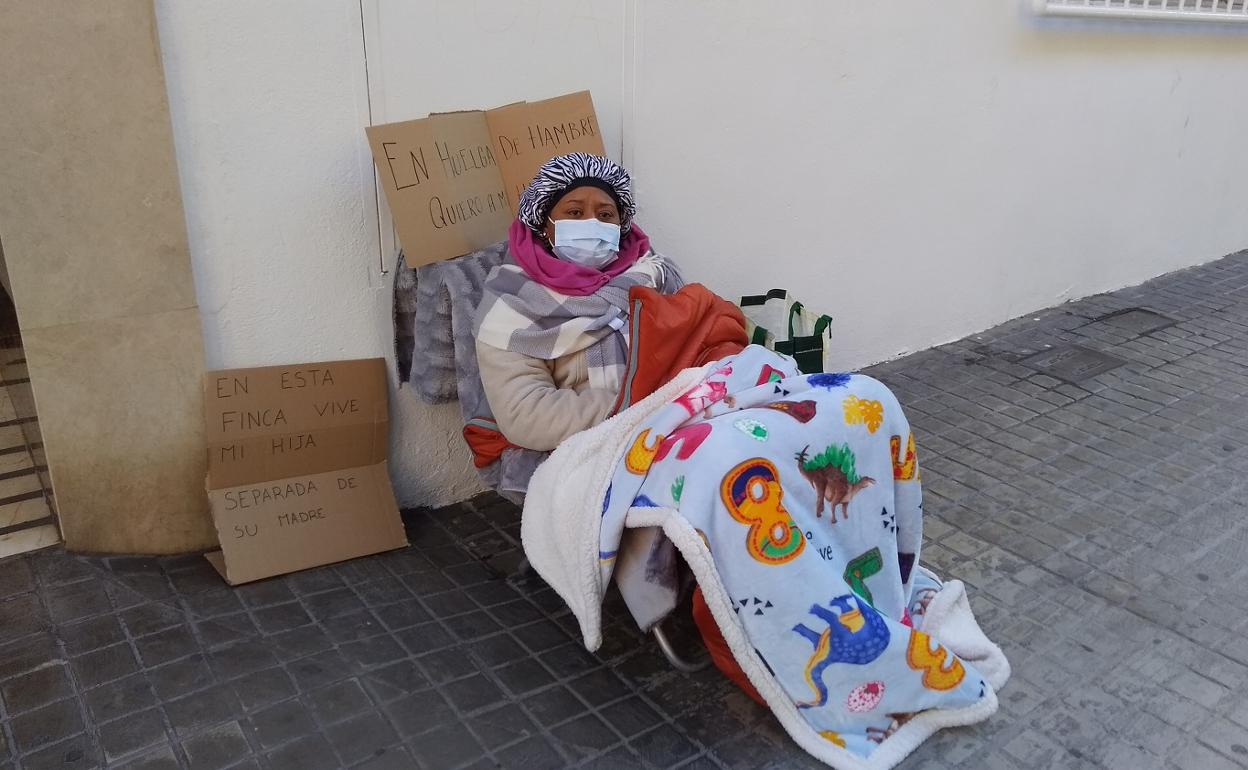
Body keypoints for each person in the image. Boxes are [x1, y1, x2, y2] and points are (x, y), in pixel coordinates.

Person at [474, 153, 682, 452]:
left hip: (682, 426)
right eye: (574, 212)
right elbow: (527, 414)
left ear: (621, 225)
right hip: (586, 450)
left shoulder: (654, 276)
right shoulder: (512, 305)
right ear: (545, 225)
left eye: (606, 214)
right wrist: (649, 409)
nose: (592, 223)